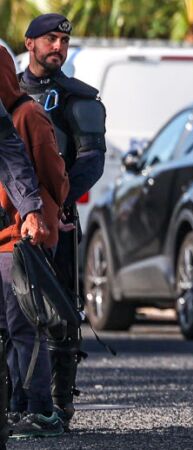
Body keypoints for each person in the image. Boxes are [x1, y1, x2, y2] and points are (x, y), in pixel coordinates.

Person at [19, 13, 107, 430]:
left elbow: (91, 161)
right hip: (9, 221)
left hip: (61, 221)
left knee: (61, 313)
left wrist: (53, 202)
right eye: (49, 39)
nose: (57, 47)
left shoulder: (80, 98)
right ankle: (15, 401)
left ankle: (58, 407)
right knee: (12, 314)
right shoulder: (9, 92)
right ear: (29, 42)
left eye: (63, 41)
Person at [0, 47, 70, 438]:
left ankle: (41, 410)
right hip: (5, 237)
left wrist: (42, 211)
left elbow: (54, 175)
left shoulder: (27, 114)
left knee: (25, 325)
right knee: (8, 329)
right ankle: (17, 407)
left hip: (26, 237)